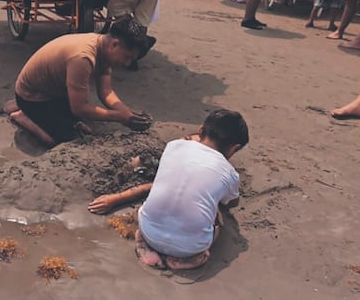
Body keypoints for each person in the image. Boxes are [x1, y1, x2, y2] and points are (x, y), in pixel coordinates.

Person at [88, 109, 248, 271]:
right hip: (189, 248)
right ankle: (193, 258)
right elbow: (231, 203)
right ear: (234, 148)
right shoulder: (229, 172)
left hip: (149, 233)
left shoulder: (173, 146)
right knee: (217, 215)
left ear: (200, 130)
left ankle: (143, 241)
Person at [6, 17, 154, 147]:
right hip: (33, 96)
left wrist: (125, 112)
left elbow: (106, 92)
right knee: (65, 142)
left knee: (83, 127)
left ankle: (36, 113)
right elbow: (79, 108)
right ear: (115, 44)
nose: (127, 63)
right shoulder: (83, 58)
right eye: (127, 57)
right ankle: (22, 116)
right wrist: (118, 117)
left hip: (56, 91)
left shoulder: (103, 46)